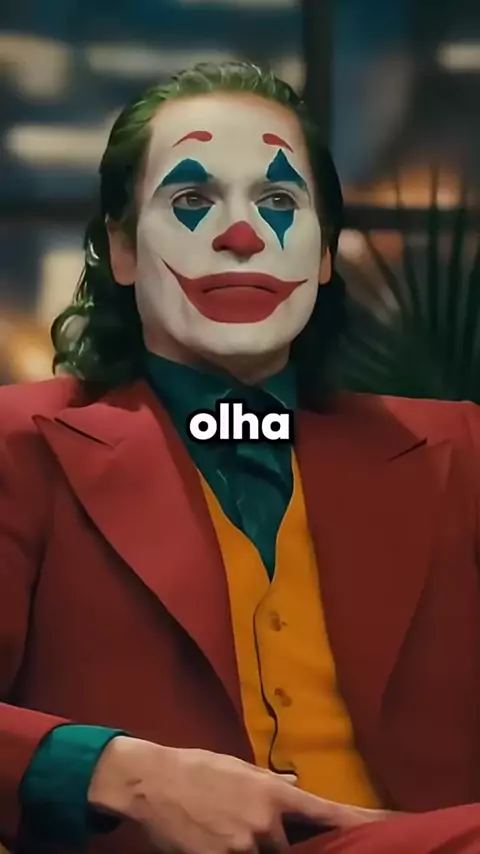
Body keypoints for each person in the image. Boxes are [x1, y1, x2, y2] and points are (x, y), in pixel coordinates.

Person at [1, 61, 480, 854]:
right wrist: (122, 772)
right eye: (192, 201)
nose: (242, 234)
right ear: (122, 251)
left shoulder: (457, 452)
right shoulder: (21, 445)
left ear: (323, 257)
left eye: (279, 203)